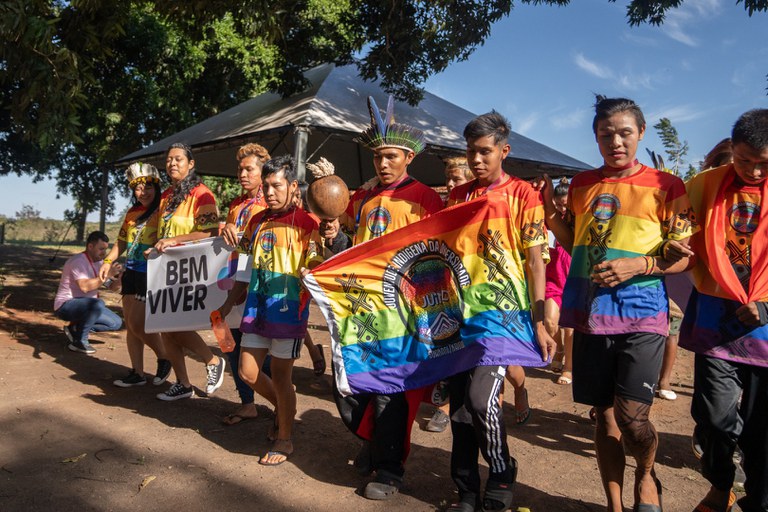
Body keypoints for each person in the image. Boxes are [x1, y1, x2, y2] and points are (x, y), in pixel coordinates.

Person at [539, 96, 695, 512]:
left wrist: (638, 265)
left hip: (643, 314)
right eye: (605, 134)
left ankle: (646, 475)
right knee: (604, 416)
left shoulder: (667, 186)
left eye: (625, 133)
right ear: (595, 137)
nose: (616, 142)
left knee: (632, 418)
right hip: (591, 316)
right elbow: (578, 244)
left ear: (640, 133)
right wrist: (551, 218)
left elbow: (684, 256)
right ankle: (614, 503)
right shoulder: (582, 184)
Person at [444, 111, 555, 512]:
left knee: (480, 400)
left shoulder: (525, 195)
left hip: (503, 317)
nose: (476, 160)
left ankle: (503, 469)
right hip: (459, 316)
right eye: (471, 152)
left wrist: (540, 320)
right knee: (459, 409)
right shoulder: (458, 196)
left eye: (485, 152)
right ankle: (467, 491)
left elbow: (535, 262)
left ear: (504, 151)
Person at [334, 96, 444, 500]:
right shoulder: (362, 199)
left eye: (391, 156)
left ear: (408, 157)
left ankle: (389, 470)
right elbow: (347, 238)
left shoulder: (427, 199)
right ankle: (372, 440)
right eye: (378, 157)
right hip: (360, 307)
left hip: (403, 311)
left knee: (391, 392)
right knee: (349, 384)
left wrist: (428, 312)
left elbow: (434, 256)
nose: (383, 163)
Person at [681, 109, 768, 512]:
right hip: (717, 319)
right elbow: (679, 234)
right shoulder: (704, 186)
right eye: (744, 159)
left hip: (765, 325)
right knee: (713, 418)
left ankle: (757, 498)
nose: (752, 170)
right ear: (731, 149)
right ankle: (720, 485)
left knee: (762, 431)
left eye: (763, 163)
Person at [217, 155, 323, 466]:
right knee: (247, 372)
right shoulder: (256, 221)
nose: (270, 192)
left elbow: (317, 264)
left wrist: (312, 270)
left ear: (292, 186)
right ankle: (285, 408)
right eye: (266, 187)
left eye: (276, 185)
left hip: (289, 315)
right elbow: (244, 269)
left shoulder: (308, 224)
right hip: (256, 310)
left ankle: (285, 438)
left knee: (280, 375)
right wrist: (227, 303)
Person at [152, 142, 227, 401]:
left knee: (175, 324)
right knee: (164, 327)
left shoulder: (202, 193)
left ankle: (212, 360)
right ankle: (183, 384)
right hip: (164, 271)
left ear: (191, 164)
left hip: (190, 271)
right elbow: (162, 233)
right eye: (169, 160)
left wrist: (176, 241)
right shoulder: (165, 197)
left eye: (178, 159)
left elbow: (210, 232)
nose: (172, 164)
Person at [217, 143, 274, 424]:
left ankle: (282, 403)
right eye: (240, 169)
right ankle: (247, 402)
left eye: (249, 169)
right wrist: (224, 228)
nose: (242, 174)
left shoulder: (270, 204)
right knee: (230, 344)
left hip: (258, 284)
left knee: (265, 351)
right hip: (232, 280)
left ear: (263, 172)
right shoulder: (235, 205)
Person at [100, 163, 171, 386]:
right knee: (130, 326)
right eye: (138, 189)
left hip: (150, 274)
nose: (143, 192)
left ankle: (165, 358)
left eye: (148, 187)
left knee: (138, 324)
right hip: (131, 271)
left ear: (157, 186)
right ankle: (137, 373)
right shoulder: (132, 212)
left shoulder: (163, 210)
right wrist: (108, 260)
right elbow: (121, 241)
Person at [425, 155, 474, 434]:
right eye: (448, 179)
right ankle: (444, 407)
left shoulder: (482, 208)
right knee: (446, 348)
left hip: (476, 296)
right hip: (443, 291)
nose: (451, 184)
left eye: (457, 179)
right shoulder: (442, 207)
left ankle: (517, 392)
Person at [54, 231, 124, 354]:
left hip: (89, 306)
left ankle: (75, 328)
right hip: (66, 306)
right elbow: (85, 287)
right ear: (90, 246)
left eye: (105, 249)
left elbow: (111, 287)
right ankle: (79, 341)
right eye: (101, 249)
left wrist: (119, 280)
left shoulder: (100, 263)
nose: (104, 253)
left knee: (115, 323)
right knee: (98, 303)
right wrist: (107, 275)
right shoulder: (78, 261)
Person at [544, 178, 575, 386]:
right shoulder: (550, 219)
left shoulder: (577, 218)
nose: (563, 207)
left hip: (573, 279)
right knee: (549, 320)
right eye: (559, 204)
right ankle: (560, 348)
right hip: (553, 279)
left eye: (566, 204)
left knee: (571, 328)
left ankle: (569, 368)